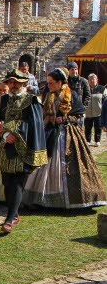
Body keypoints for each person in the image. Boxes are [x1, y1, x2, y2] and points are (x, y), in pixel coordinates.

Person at [23, 68, 106, 210]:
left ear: (60, 82)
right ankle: (42, 199)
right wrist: (48, 119)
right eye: (48, 82)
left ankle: (74, 198)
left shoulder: (71, 95)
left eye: (51, 82)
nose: (48, 85)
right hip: (50, 132)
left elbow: (80, 115)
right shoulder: (49, 95)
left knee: (68, 165)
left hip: (68, 134)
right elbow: (44, 113)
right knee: (45, 163)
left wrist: (65, 118)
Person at [0, 68, 48, 233]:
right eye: (11, 82)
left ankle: (10, 217)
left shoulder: (32, 101)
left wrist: (9, 128)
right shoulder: (3, 100)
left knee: (17, 182)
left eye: (17, 82)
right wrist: (3, 131)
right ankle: (13, 214)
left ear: (24, 83)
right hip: (4, 147)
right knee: (7, 182)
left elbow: (33, 124)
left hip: (22, 148)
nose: (13, 85)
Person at [84, 73, 106, 146]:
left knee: (98, 127)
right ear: (88, 81)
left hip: (98, 112)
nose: (92, 81)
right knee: (87, 128)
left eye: (93, 79)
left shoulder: (102, 89)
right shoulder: (85, 89)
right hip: (88, 113)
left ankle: (97, 140)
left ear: (96, 80)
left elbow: (105, 101)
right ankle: (88, 141)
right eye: (90, 79)